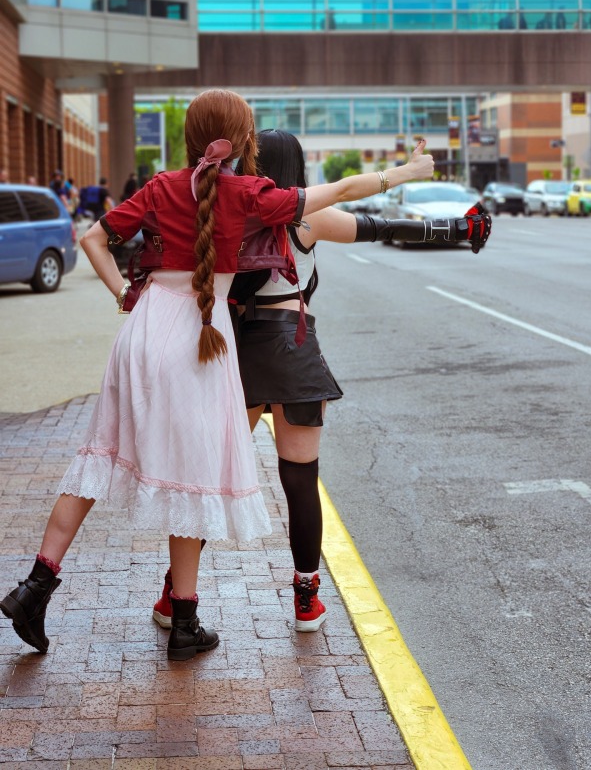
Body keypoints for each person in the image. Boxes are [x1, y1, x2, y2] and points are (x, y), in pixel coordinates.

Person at [0, 89, 436, 661]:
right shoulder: (247, 193)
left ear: (188, 138)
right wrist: (406, 170)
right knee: (193, 473)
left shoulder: (159, 185)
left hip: (144, 328)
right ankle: (184, 620)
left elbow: (93, 239)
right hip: (200, 335)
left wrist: (125, 299)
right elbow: (343, 192)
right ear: (245, 140)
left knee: (97, 455)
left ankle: (35, 586)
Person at [151, 128, 490, 634]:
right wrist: (464, 231)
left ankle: (174, 599)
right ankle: (306, 601)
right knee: (300, 481)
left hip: (237, 351)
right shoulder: (304, 214)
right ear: (299, 167)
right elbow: (385, 227)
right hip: (294, 350)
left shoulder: (232, 209)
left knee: (210, 482)